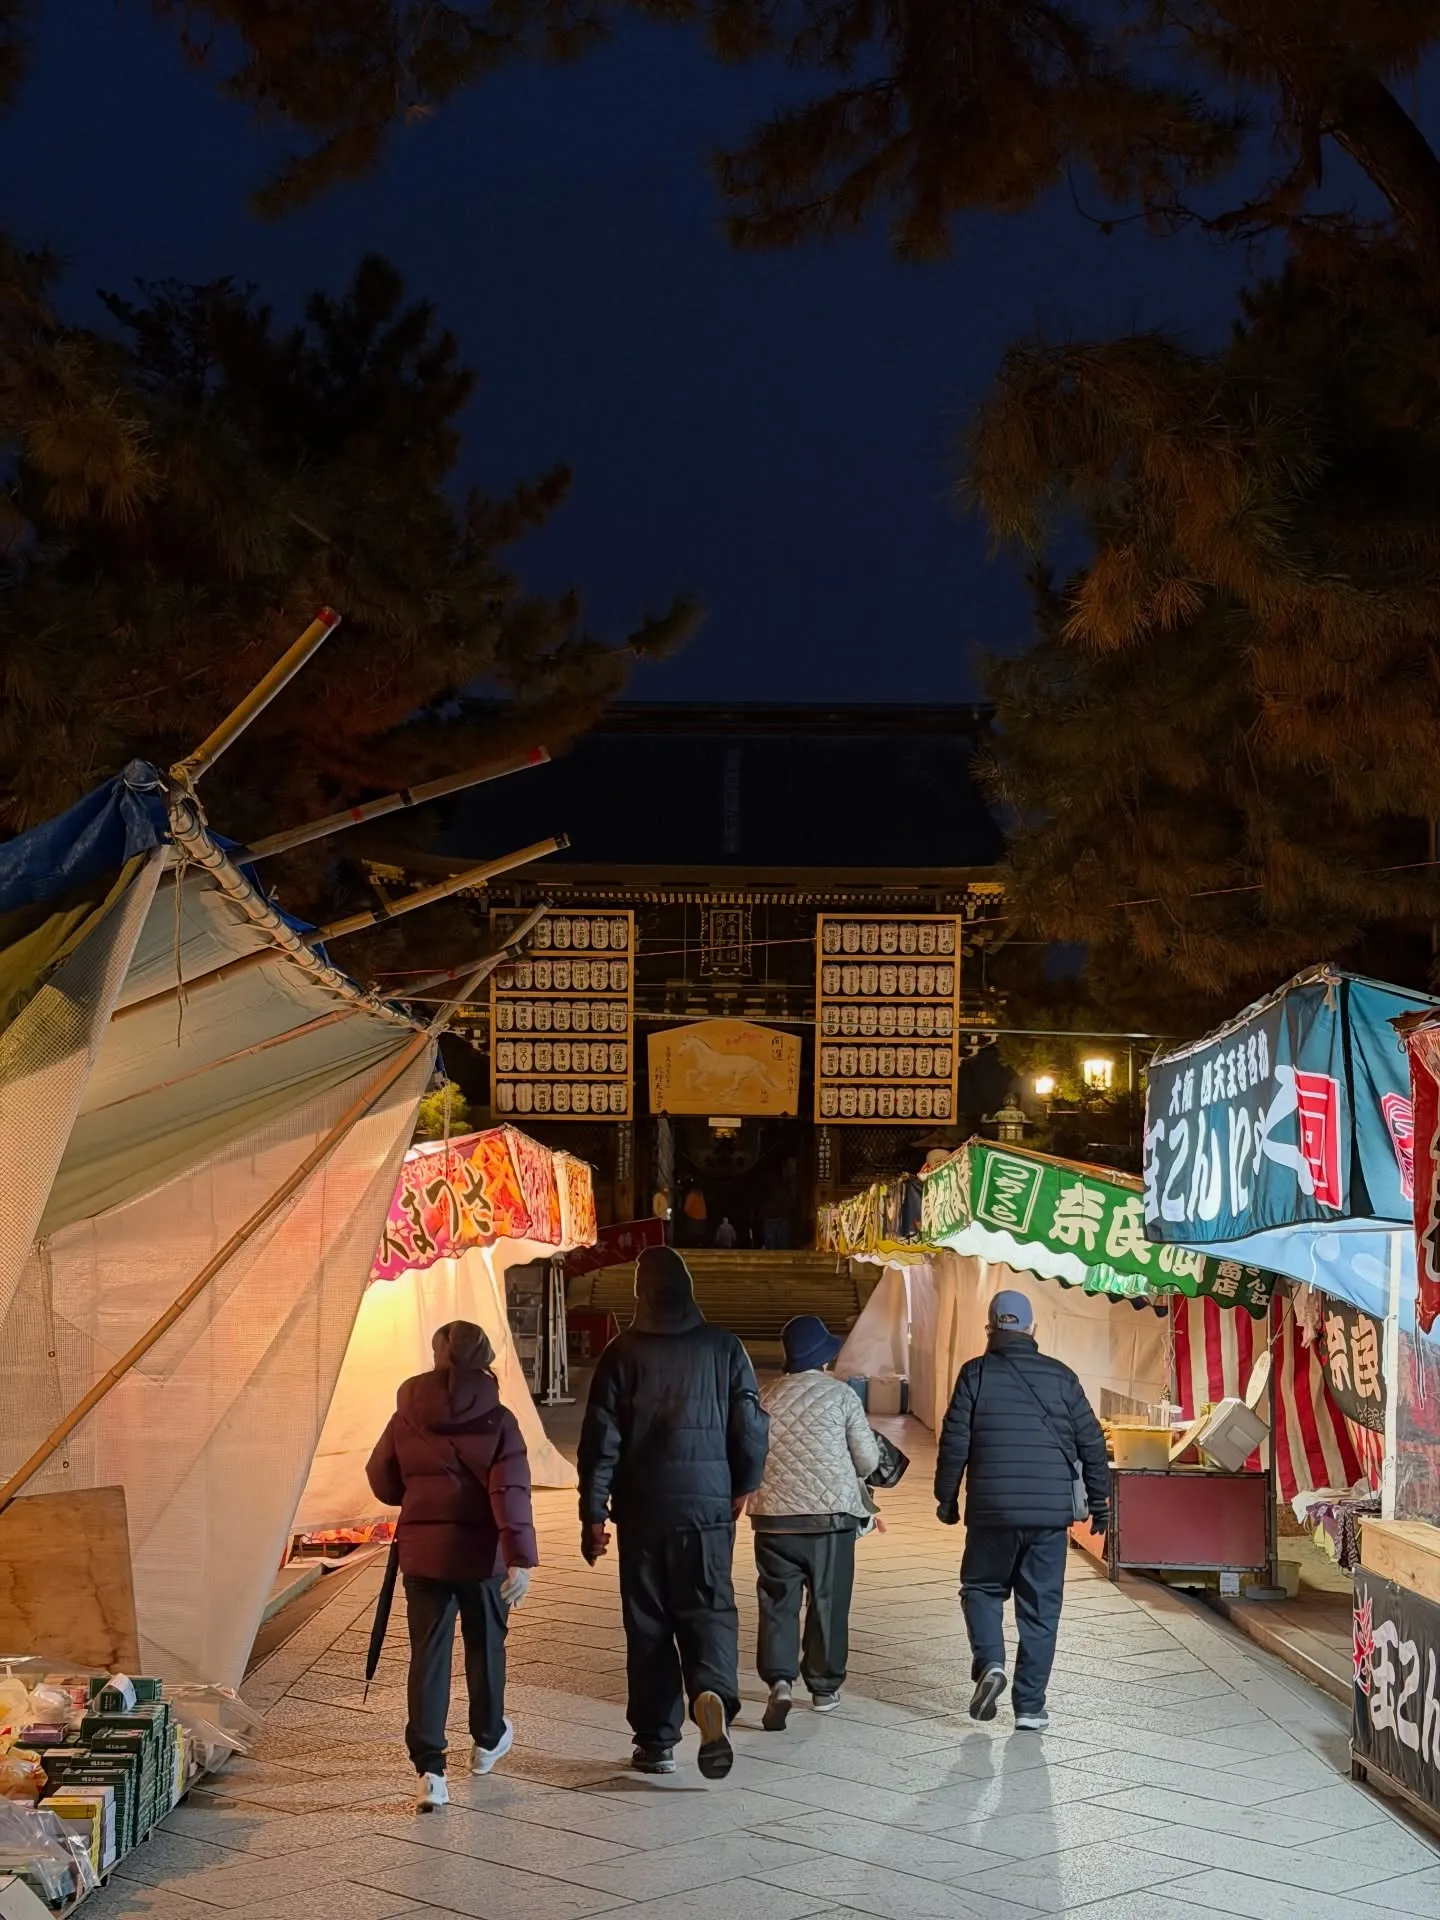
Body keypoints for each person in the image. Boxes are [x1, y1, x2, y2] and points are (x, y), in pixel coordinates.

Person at [577, 1245, 769, 1779]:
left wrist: (593, 1514)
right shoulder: (724, 1348)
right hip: (707, 1507)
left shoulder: (621, 1354)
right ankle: (710, 1694)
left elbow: (599, 1442)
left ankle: (657, 1742)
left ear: (641, 1294)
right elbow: (751, 1425)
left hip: (642, 1512)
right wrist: (744, 1482)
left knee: (649, 1623)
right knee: (708, 1608)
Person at [366, 1321, 536, 1812]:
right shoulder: (499, 1419)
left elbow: (381, 1478)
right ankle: (486, 1741)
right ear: (485, 1356)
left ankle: (429, 1771)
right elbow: (511, 1493)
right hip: (483, 1557)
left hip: (423, 1554)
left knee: (428, 1656)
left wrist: (417, 1495)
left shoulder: (407, 1413)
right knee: (486, 1647)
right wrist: (520, 1558)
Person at [934, 1290, 1108, 1733]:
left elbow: (955, 1440)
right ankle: (1030, 1706)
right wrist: (1101, 1502)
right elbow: (1091, 1443)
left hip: (991, 1510)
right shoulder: (1062, 1377)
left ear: (990, 1329)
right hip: (1049, 1516)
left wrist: (947, 1497)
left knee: (981, 1587)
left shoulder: (974, 1374)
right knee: (1040, 1608)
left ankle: (991, 1663)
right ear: (1032, 1329)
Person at [748, 1315, 880, 1728]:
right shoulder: (841, 1397)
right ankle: (823, 1688)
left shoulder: (765, 1395)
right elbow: (868, 1460)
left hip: (773, 1520)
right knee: (827, 1602)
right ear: (823, 1358)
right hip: (830, 1521)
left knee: (776, 1604)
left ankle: (780, 1682)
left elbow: (749, 1454)